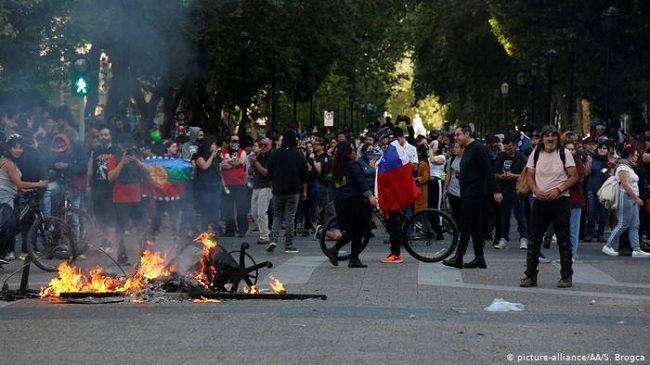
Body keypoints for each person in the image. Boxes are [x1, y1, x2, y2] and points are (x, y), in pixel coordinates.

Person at [520, 125, 578, 288]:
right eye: (547, 136)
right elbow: (529, 175)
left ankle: (566, 276)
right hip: (540, 201)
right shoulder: (536, 154)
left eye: (553, 135)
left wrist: (559, 190)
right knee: (533, 239)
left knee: (563, 240)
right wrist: (536, 190)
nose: (550, 139)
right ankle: (530, 275)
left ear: (558, 138)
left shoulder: (564, 154)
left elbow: (574, 176)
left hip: (560, 201)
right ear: (542, 138)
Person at [442, 124, 502, 269]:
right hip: (468, 191)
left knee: (465, 224)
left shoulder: (478, 148)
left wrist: (496, 191)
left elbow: (488, 170)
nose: (456, 138)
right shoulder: (468, 150)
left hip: (475, 193)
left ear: (467, 134)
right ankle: (479, 258)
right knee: (475, 226)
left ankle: (459, 257)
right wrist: (460, 174)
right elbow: (472, 169)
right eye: (455, 135)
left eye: (458, 135)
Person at [324, 141, 378, 268]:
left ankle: (335, 250)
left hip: (341, 202)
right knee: (357, 231)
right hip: (354, 201)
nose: (355, 152)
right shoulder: (354, 166)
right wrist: (370, 196)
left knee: (350, 231)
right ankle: (353, 259)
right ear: (348, 153)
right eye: (353, 150)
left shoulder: (337, 167)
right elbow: (361, 183)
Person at [0, 135, 48, 265]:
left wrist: (23, 190)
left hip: (8, 195)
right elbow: (19, 183)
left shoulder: (8, 161)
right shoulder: (9, 163)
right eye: (14, 147)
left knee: (10, 226)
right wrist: (39, 184)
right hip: (4, 198)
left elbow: (12, 183)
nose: (18, 150)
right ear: (9, 148)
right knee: (8, 226)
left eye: (20, 147)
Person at [107, 133, 151, 265]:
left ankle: (144, 254)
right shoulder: (113, 158)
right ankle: (121, 255)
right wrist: (121, 163)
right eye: (124, 146)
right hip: (120, 197)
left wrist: (137, 162)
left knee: (141, 225)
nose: (126, 149)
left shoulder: (137, 156)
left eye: (129, 146)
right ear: (119, 146)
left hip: (136, 196)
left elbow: (148, 172)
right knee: (121, 227)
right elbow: (111, 177)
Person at [601, 145, 650, 258]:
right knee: (623, 223)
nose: (637, 155)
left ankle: (636, 249)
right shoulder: (623, 167)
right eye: (635, 153)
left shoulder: (628, 166)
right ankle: (608, 245)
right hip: (627, 197)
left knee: (634, 224)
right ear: (630, 154)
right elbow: (626, 185)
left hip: (631, 197)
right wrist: (636, 198)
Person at [266, 128, 308, 254]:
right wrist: (304, 191)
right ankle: (289, 244)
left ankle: (273, 239)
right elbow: (304, 175)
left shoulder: (275, 154)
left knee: (277, 215)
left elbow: (270, 173)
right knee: (290, 216)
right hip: (293, 190)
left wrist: (272, 186)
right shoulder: (298, 155)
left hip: (278, 189)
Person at [493, 137, 528, 249]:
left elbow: (526, 173)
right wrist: (500, 176)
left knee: (520, 215)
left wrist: (514, 176)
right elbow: (495, 172)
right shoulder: (501, 157)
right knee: (504, 215)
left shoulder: (521, 157)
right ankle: (503, 238)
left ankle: (523, 238)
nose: (508, 151)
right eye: (506, 149)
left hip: (517, 189)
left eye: (510, 148)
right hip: (504, 189)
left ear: (514, 145)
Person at [220, 134, 248, 237]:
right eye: (233, 141)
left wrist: (229, 163)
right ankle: (230, 230)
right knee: (228, 208)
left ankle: (242, 230)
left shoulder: (242, 151)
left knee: (241, 207)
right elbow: (222, 164)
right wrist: (234, 163)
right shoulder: (224, 152)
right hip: (227, 184)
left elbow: (241, 161)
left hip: (240, 184)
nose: (236, 143)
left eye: (237, 141)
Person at [194, 135, 224, 234]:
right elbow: (205, 166)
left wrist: (224, 184)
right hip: (204, 185)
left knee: (215, 208)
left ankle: (215, 230)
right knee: (205, 208)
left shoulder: (218, 157)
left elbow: (219, 170)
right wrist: (212, 156)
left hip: (216, 184)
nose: (215, 146)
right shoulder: (198, 156)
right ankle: (204, 230)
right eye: (214, 144)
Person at [248, 137, 273, 245]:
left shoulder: (271, 157)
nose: (262, 147)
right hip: (256, 186)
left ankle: (264, 235)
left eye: (265, 145)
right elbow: (250, 172)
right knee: (254, 213)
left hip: (266, 186)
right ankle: (265, 231)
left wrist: (256, 163)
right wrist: (252, 163)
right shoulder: (258, 156)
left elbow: (267, 173)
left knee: (262, 212)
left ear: (270, 146)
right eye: (260, 145)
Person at [564, 141, 586, 259]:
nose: (571, 151)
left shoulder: (578, 163)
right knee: (564, 229)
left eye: (572, 149)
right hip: (562, 199)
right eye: (568, 149)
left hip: (575, 200)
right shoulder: (560, 162)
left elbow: (576, 179)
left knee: (573, 229)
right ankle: (566, 254)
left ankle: (572, 253)